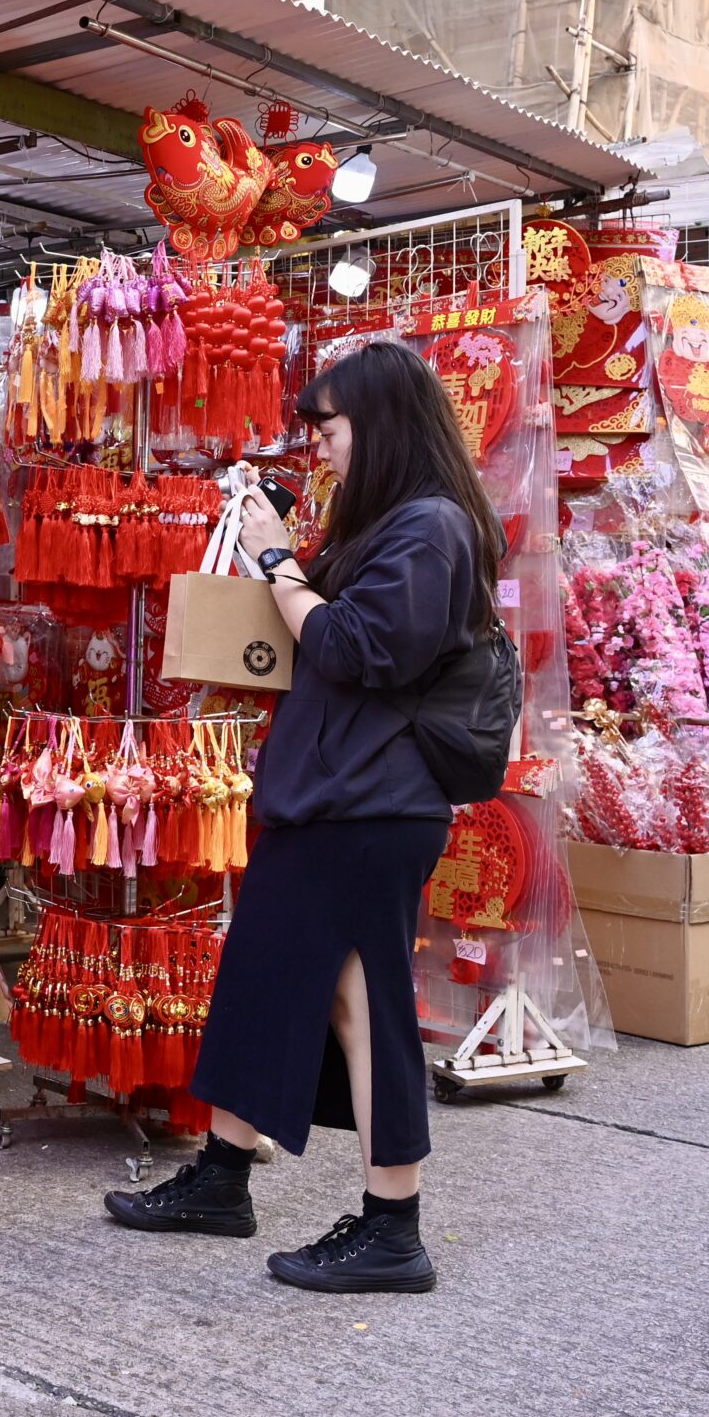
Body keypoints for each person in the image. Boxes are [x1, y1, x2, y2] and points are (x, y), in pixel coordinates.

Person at [102, 339, 503, 1296]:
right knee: (278, 980)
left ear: (381, 422)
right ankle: (223, 1177)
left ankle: (391, 1225)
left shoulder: (432, 526)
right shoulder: (400, 523)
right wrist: (287, 551)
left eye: (328, 427)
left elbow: (357, 644)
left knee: (366, 1005)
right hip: (338, 798)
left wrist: (279, 562)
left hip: (369, 804)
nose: (319, 445)